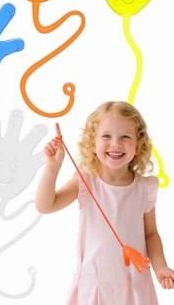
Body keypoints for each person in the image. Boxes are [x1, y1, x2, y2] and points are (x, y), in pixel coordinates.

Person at [35, 101, 174, 304]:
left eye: (125, 137)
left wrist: (160, 267)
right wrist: (52, 168)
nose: (115, 144)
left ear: (139, 145)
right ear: (92, 143)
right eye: (106, 136)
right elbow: (45, 205)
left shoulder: (144, 188)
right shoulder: (86, 181)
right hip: (94, 286)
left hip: (134, 287)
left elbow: (150, 234)